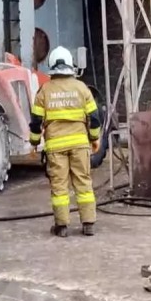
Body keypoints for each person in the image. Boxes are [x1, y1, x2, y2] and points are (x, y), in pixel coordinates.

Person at [30, 46, 102, 238]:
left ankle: (61, 226)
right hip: (80, 145)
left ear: (52, 66)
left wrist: (34, 141)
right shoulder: (82, 88)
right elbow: (94, 118)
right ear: (71, 65)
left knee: (59, 186)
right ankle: (88, 223)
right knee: (83, 182)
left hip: (56, 147)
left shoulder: (44, 90)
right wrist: (94, 139)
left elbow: (36, 121)